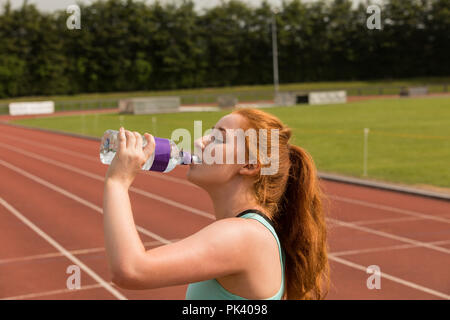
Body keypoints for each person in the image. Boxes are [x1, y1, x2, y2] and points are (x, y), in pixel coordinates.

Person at [103, 108, 330, 300]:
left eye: (218, 138)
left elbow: (131, 270)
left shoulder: (245, 235)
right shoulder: (249, 230)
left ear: (250, 165)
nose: (199, 142)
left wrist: (117, 182)